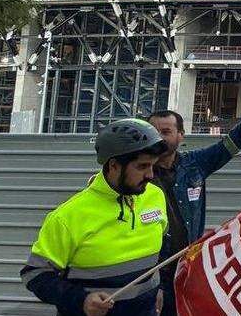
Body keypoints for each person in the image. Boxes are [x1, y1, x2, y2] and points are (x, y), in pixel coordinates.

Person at [147, 81, 241, 315]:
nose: (159, 137)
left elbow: (231, 144)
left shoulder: (194, 164)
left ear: (180, 136)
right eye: (154, 132)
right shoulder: (137, 174)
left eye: (166, 132)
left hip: (188, 270)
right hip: (152, 274)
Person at [22, 119, 169, 316]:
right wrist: (81, 300)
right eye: (142, 166)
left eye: (152, 165)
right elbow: (35, 274)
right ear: (114, 165)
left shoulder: (155, 196)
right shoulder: (68, 216)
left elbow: (162, 248)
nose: (150, 175)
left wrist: (160, 288)